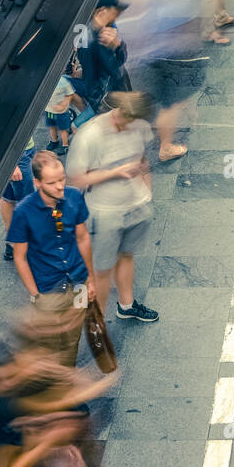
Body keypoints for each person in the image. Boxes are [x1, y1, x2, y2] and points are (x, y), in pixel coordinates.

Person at [66, 92, 159, 324]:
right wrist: (115, 173)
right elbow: (76, 179)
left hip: (136, 207)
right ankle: (98, 321)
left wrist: (147, 192)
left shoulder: (138, 125)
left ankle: (126, 306)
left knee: (127, 255)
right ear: (118, 113)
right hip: (104, 212)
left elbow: (143, 160)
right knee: (102, 269)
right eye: (126, 122)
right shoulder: (89, 135)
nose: (129, 127)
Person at [6, 152, 97, 369]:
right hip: (48, 289)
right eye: (52, 182)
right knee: (51, 342)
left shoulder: (74, 197)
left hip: (78, 281)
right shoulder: (23, 212)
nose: (59, 186)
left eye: (62, 179)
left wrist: (90, 279)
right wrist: (36, 295)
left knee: (73, 336)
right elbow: (20, 258)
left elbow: (82, 237)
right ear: (36, 182)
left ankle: (65, 381)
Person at [73, 0, 130, 127]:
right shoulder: (96, 39)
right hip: (106, 96)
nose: (116, 16)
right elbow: (114, 70)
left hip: (106, 92)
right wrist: (117, 45)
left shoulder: (103, 28)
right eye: (114, 12)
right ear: (101, 11)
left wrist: (118, 45)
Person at [0, 139, 36, 260]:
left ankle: (12, 242)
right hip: (17, 155)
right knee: (27, 203)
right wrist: (11, 162)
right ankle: (24, 247)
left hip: (24, 149)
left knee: (8, 196)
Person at [43, 73, 78, 156]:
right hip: (49, 110)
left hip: (60, 112)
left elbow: (70, 93)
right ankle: (54, 141)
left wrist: (64, 103)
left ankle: (65, 145)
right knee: (51, 126)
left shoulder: (63, 81)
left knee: (63, 129)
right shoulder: (45, 80)